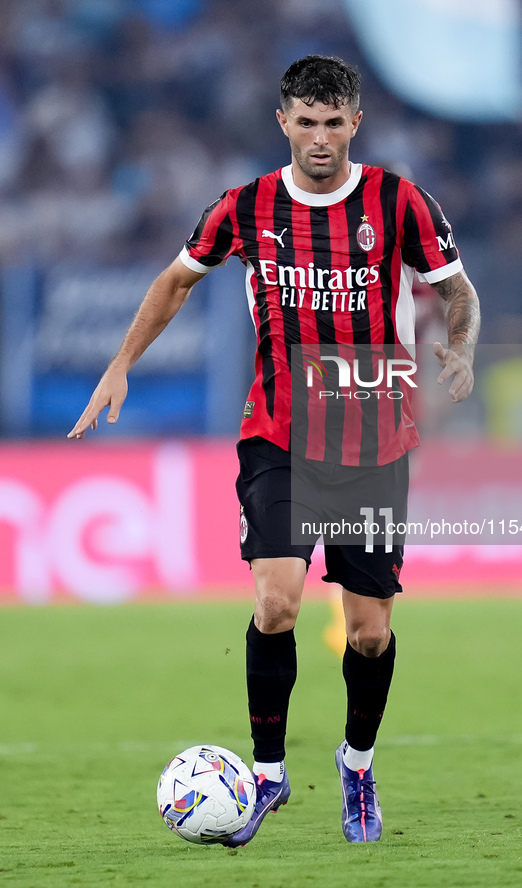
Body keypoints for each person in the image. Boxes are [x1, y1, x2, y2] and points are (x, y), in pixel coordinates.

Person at [68, 55, 480, 844]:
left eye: (334, 123)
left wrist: (459, 348)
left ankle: (356, 765)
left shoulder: (398, 202)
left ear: (354, 123)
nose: (320, 138)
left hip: (372, 440)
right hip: (279, 434)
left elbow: (455, 288)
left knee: (368, 632)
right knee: (277, 602)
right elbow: (174, 281)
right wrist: (120, 364)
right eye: (306, 121)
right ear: (282, 121)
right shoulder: (245, 206)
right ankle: (265, 775)